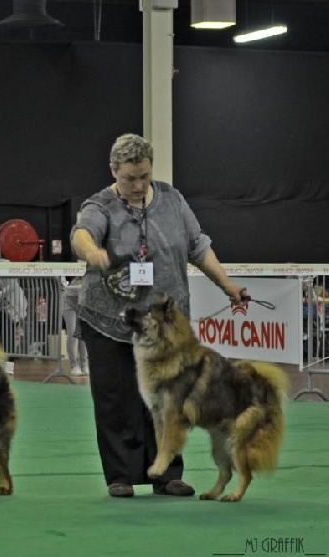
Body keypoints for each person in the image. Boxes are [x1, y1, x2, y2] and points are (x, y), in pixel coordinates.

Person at [70, 133, 246, 498]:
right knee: (115, 397)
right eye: (129, 177)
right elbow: (82, 234)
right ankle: (120, 476)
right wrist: (93, 253)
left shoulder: (171, 199)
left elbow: (198, 245)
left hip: (166, 326)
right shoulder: (100, 205)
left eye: (144, 176)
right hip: (111, 320)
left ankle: (167, 474)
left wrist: (227, 285)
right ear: (113, 171)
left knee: (171, 397)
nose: (137, 185)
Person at [62, 276, 89, 376]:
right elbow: (64, 285)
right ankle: (73, 365)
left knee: (83, 333)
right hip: (68, 302)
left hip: (82, 302)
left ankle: (84, 364)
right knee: (72, 333)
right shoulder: (71, 274)